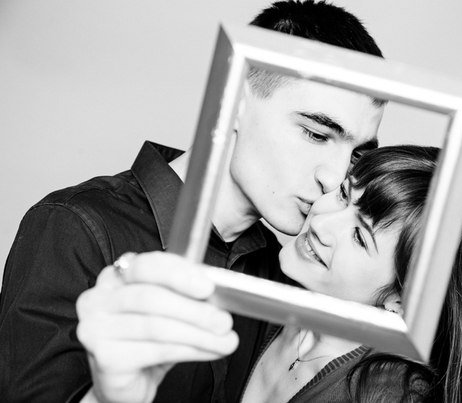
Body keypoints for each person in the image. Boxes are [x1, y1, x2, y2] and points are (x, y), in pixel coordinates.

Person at [0, 2, 385, 402]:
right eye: (316, 134)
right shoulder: (74, 228)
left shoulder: (280, 272)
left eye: (356, 154)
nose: (336, 178)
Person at [79, 145, 462, 402]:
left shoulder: (388, 394)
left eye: (360, 237)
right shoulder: (266, 293)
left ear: (402, 300)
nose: (323, 222)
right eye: (345, 194)